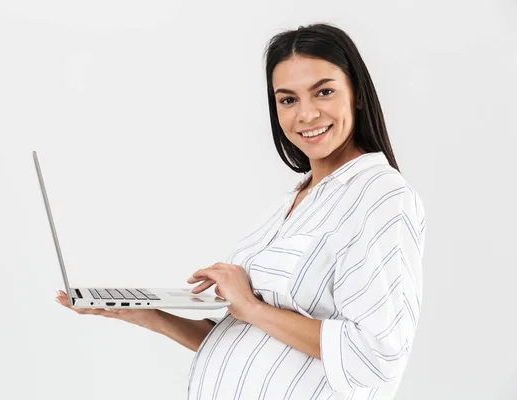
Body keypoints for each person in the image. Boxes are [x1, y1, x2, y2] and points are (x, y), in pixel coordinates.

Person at [56, 22, 426, 399]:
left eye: (324, 92)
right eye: (288, 99)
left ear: (357, 95)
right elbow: (251, 340)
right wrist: (148, 314)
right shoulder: (290, 202)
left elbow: (375, 357)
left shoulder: (381, 196)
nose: (307, 115)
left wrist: (250, 306)